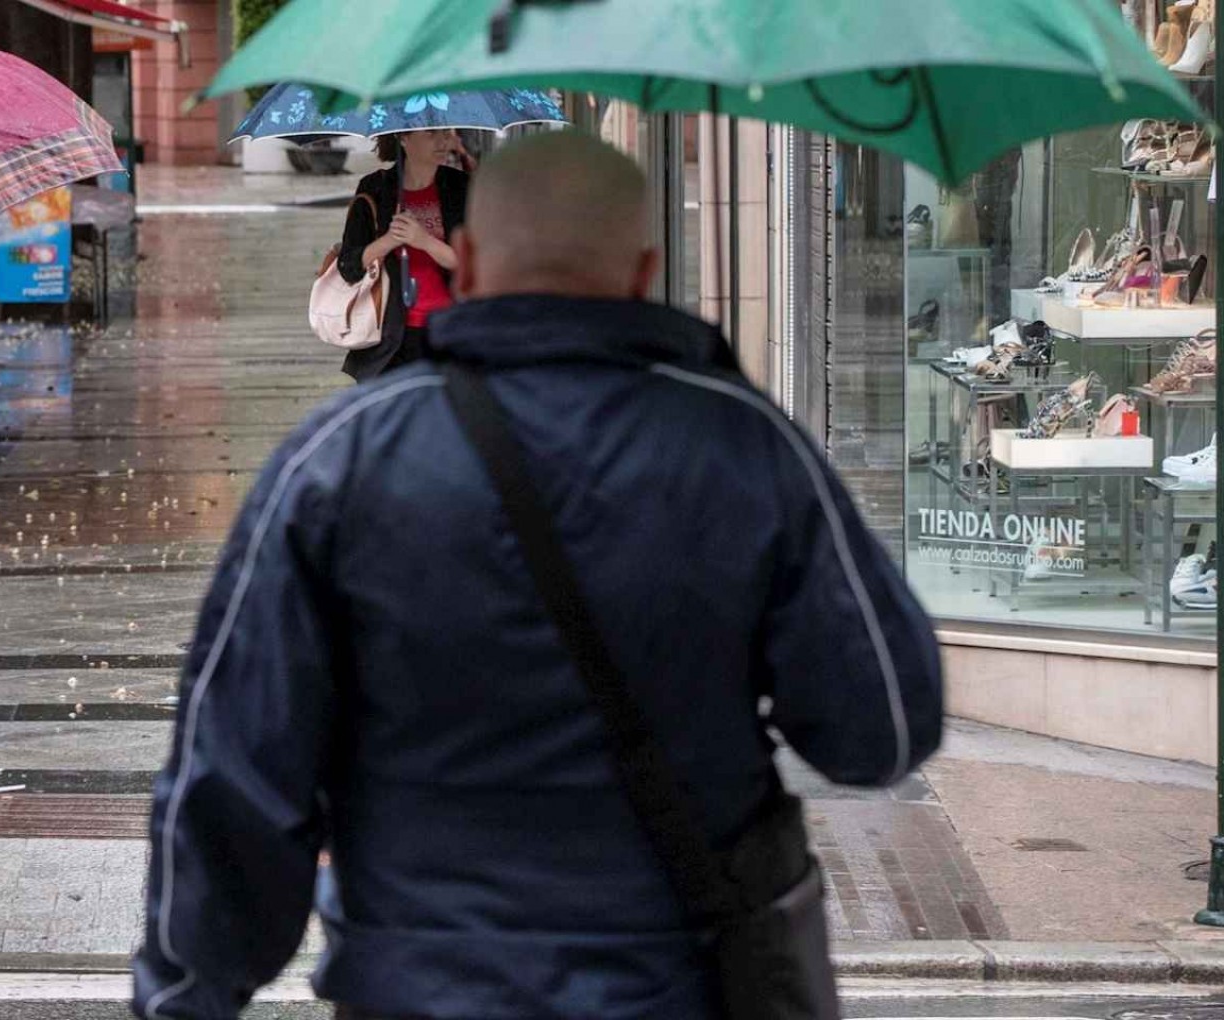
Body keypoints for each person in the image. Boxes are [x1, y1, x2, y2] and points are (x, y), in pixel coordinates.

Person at [132, 133, 943, 1019]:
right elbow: (884, 730)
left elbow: (235, 771)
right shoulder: (748, 447)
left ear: (470, 261)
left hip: (425, 982)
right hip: (684, 980)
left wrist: (185, 993)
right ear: (644, 270)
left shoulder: (339, 465)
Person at [335, 129, 469, 381]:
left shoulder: (461, 187)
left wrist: (424, 241)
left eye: (445, 133)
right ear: (403, 138)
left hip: (451, 333)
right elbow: (349, 266)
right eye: (430, 133)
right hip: (390, 339)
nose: (442, 141)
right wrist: (387, 241)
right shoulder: (375, 188)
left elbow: (473, 265)